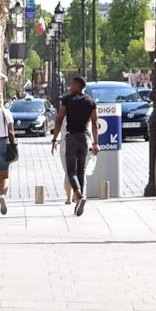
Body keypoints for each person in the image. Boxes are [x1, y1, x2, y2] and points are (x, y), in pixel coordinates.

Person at [51, 75, 99, 215]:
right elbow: (95, 123)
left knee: (71, 171)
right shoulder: (91, 102)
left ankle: (78, 195)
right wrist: (96, 142)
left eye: (72, 84)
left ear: (78, 86)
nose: (70, 87)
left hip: (71, 137)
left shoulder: (67, 99)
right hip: (85, 138)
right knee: (81, 171)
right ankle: (79, 201)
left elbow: (59, 119)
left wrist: (55, 138)